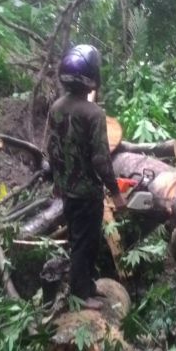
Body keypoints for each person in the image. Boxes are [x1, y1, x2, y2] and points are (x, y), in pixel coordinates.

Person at [47, 44, 127, 310]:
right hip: (87, 193)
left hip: (68, 191)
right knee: (86, 243)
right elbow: (101, 160)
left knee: (79, 240)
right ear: (91, 77)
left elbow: (52, 149)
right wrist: (115, 192)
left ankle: (87, 285)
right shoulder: (94, 114)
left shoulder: (57, 107)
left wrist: (58, 182)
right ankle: (81, 295)